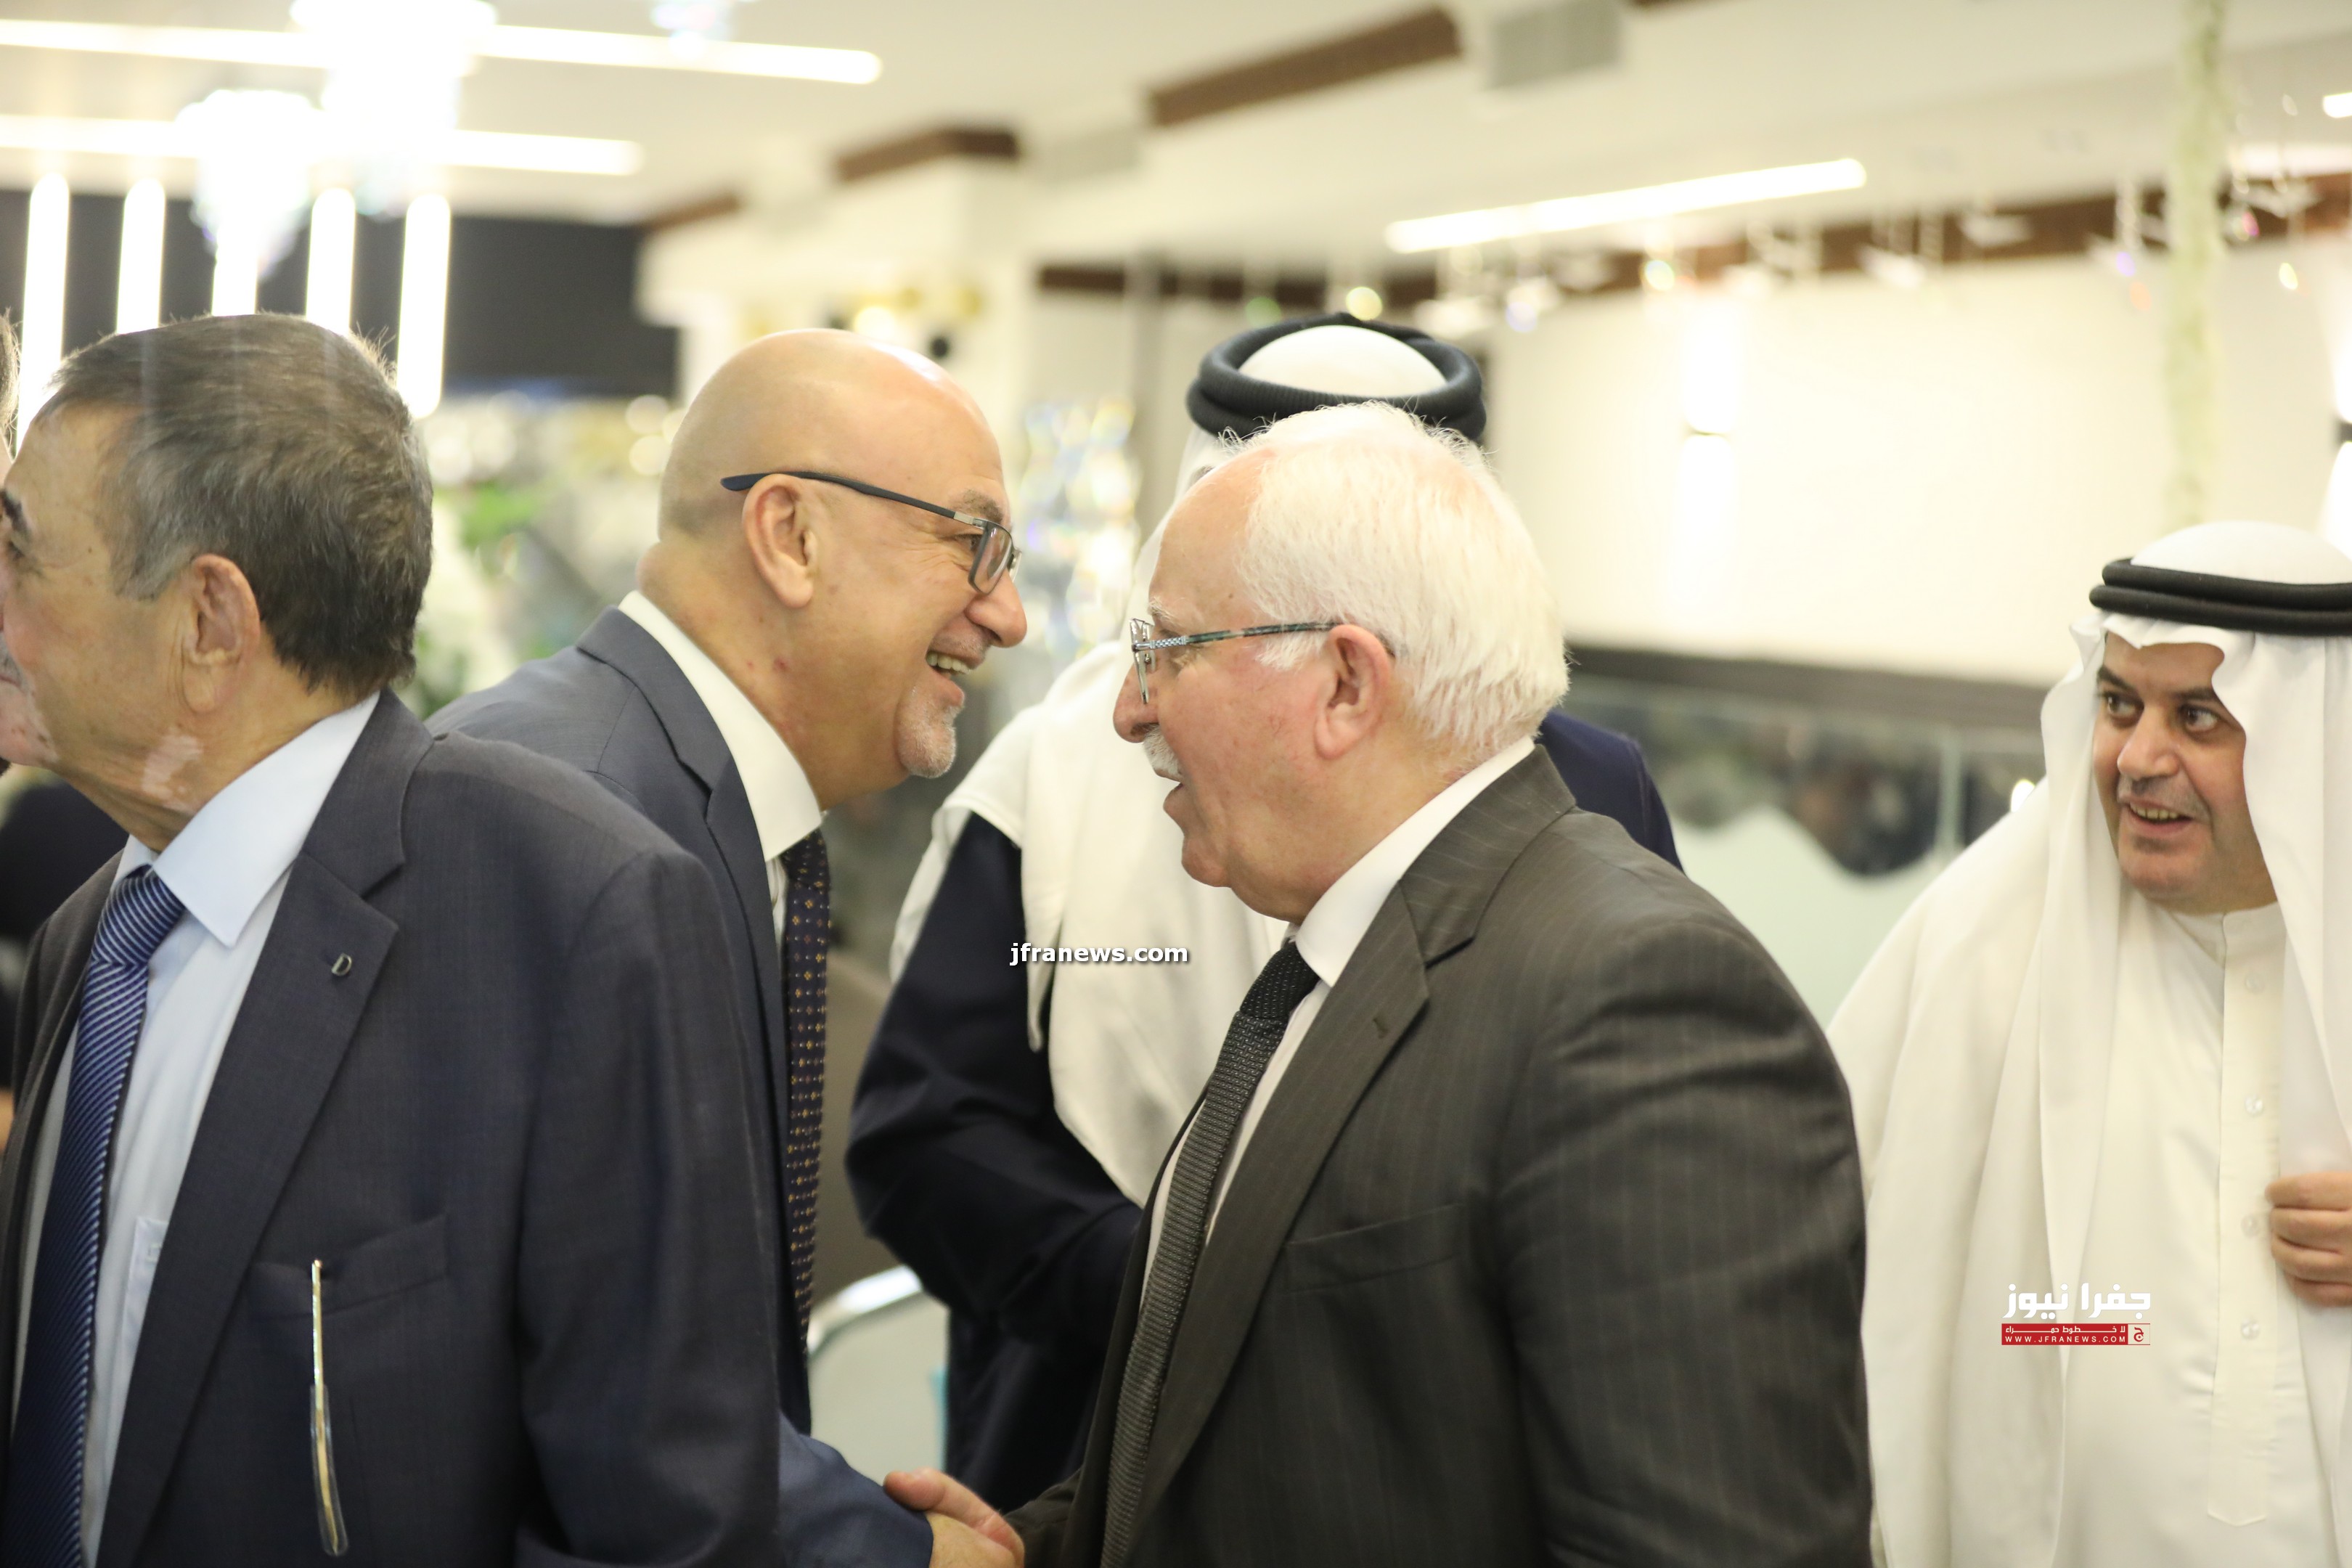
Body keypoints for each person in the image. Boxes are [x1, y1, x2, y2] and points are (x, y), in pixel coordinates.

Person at [894, 399, 1870, 1565]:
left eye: (1168, 650)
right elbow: (1270, 1456)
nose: (1128, 708)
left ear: (1347, 684)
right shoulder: (1345, 955)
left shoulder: (1647, 1006)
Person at [847, 314, 1679, 1511]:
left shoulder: (1570, 792)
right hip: (1084, 1435)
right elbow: (927, 1135)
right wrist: (1171, 1291)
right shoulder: (1054, 777)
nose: (1138, 715)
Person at [0, 314, 780, 1563]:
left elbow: (663, 1523)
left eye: (19, 548)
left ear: (210, 621)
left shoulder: (574, 915)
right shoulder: (95, 931)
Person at [434, 329, 1029, 1568]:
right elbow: (566, 1384)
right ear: (791, 535)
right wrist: (893, 1552)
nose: (1009, 615)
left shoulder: (664, 798)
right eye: (973, 542)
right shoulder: (563, 816)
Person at [1832, 519, 2352, 1567]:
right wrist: (2077, 1322)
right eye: (2119, 705)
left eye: (2198, 717)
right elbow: (1817, 1251)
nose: (2140, 759)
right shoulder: (1982, 939)